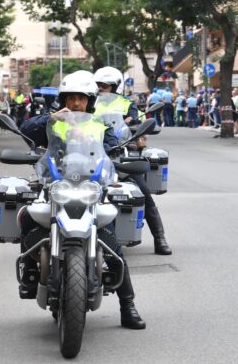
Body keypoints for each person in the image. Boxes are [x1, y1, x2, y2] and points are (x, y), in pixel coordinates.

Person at [20, 71, 145, 329]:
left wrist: (114, 156)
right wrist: (51, 117)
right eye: (71, 98)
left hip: (90, 188)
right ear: (64, 99)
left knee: (111, 242)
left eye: (81, 98)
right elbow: (26, 130)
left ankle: (128, 306)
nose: (76, 103)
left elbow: (112, 151)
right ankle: (30, 276)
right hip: (58, 185)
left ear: (90, 101)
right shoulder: (54, 121)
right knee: (29, 218)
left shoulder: (99, 125)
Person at [93, 66, 171, 255]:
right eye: (99, 84)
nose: (102, 88)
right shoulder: (90, 101)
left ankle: (160, 239)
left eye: (106, 85)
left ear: (116, 86)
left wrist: (134, 130)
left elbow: (134, 124)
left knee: (143, 193)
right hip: (92, 153)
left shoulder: (127, 104)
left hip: (119, 152)